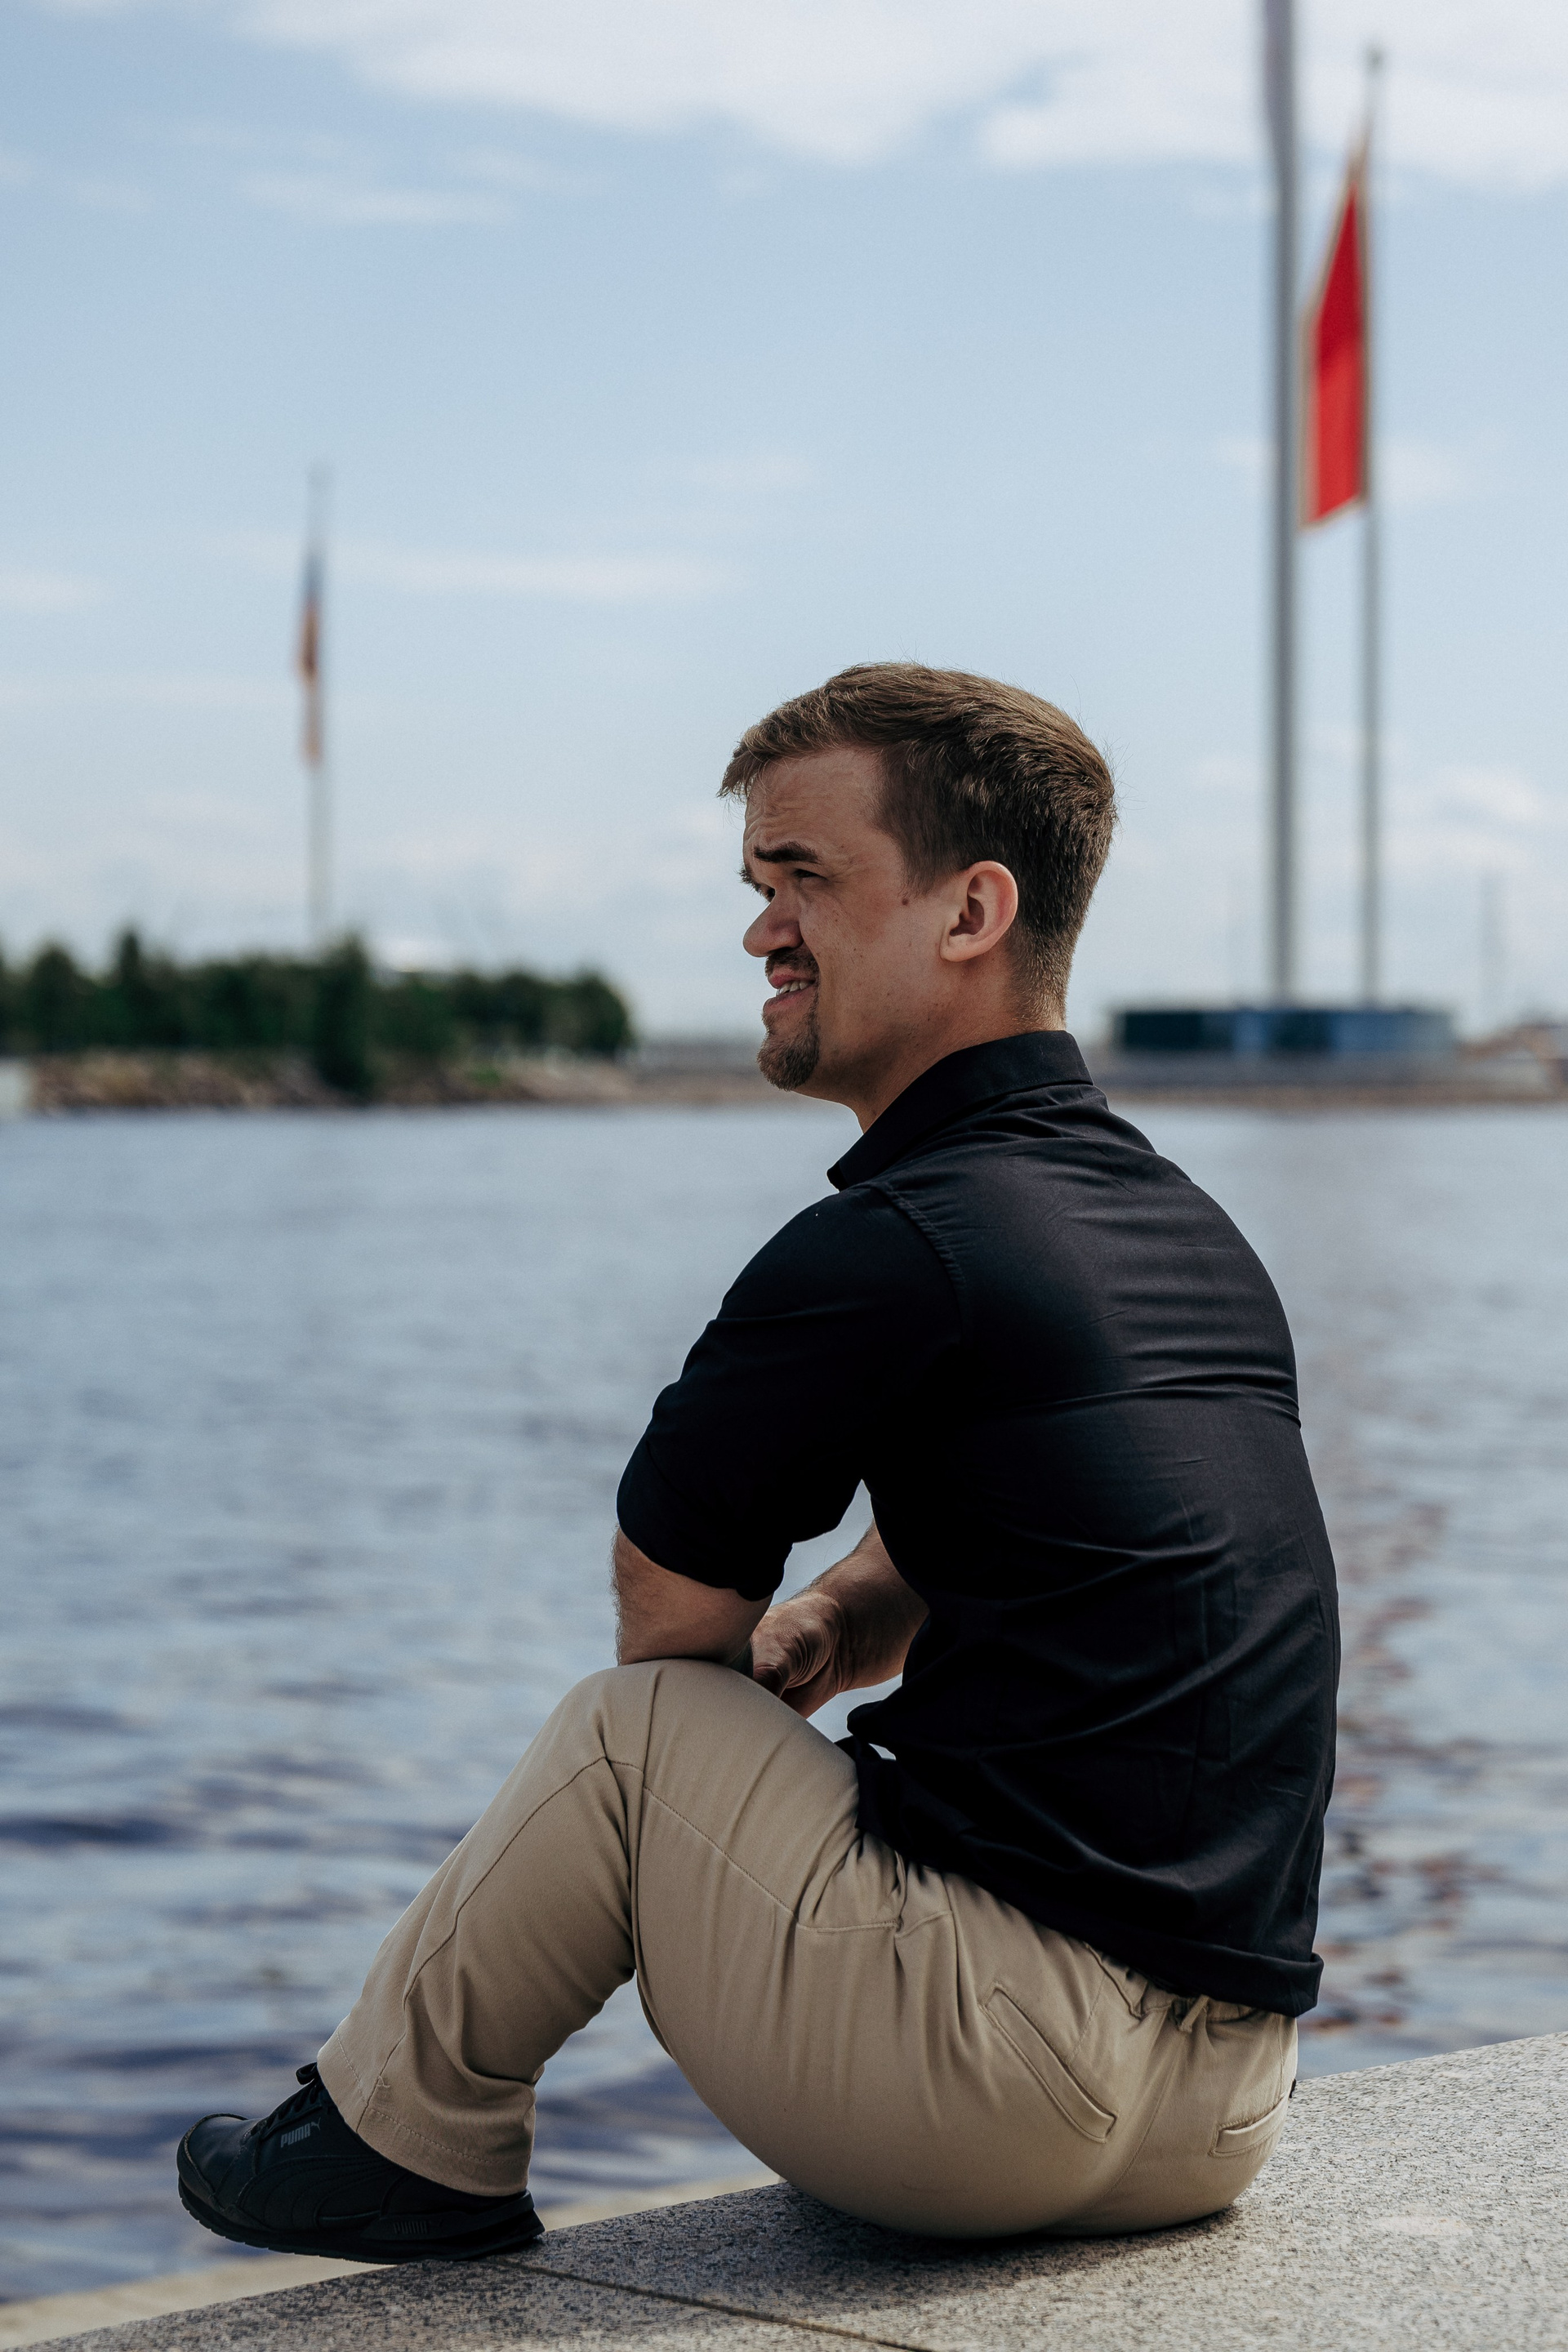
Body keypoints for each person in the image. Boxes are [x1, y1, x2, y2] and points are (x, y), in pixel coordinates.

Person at [177, 662, 1339, 2261]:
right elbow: (1051, 1538)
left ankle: (399, 2142)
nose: (761, 935)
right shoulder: (1182, 1235)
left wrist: (733, 1744)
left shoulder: (896, 1239)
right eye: (755, 886)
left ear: (971, 911)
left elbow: (670, 1624)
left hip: (993, 2099)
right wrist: (839, 1626)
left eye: (803, 879)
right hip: (1222, 2115)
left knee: (635, 1734)